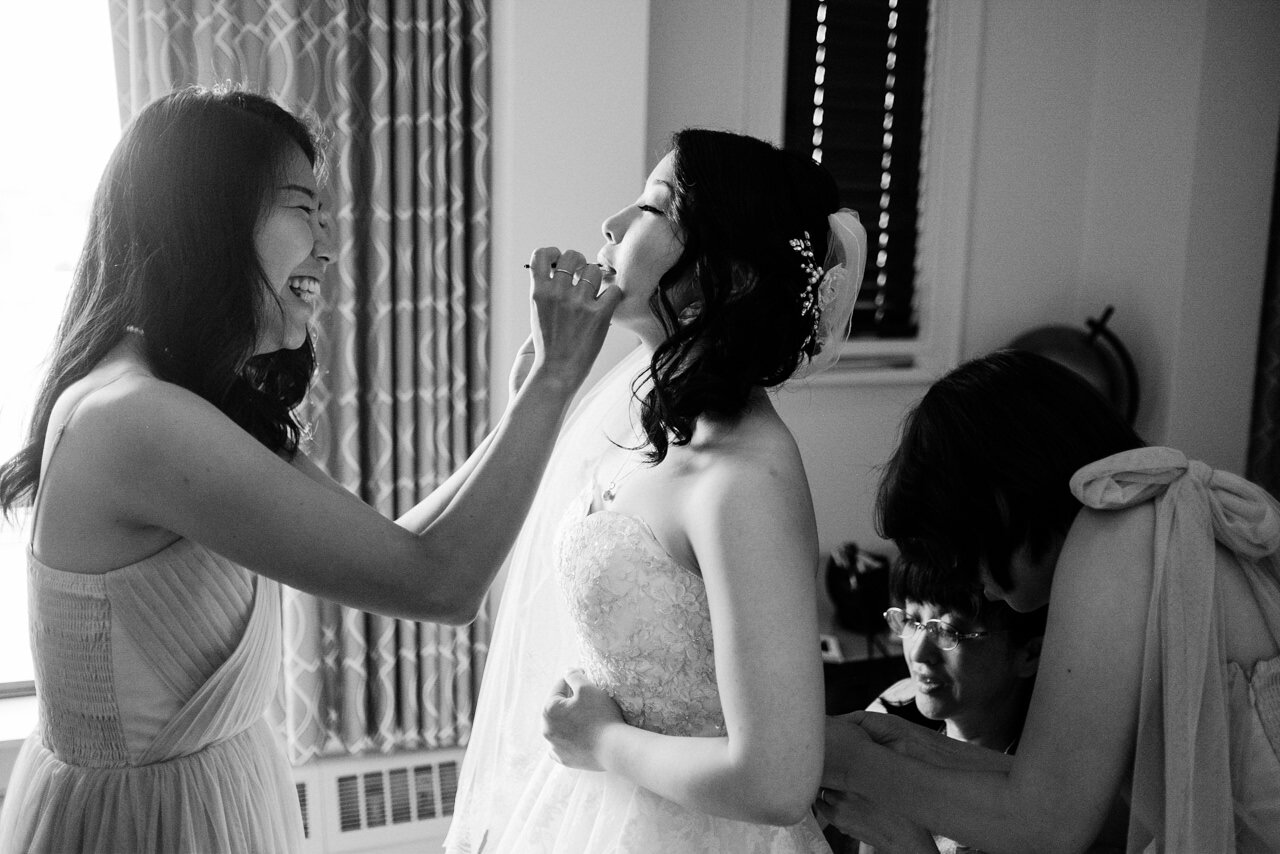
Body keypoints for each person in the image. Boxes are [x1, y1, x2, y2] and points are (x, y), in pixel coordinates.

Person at [0, 85, 619, 854]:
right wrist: (557, 381)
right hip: (154, 825)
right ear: (209, 218)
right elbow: (439, 581)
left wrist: (529, 396)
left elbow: (391, 546)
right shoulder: (138, 417)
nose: (328, 246)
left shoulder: (177, 388)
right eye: (304, 211)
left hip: (210, 793)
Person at [443, 128, 867, 853]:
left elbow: (778, 781)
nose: (611, 224)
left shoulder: (745, 478)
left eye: (654, 205)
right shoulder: (647, 421)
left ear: (727, 274)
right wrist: (533, 398)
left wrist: (605, 742)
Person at [817, 350, 1280, 853]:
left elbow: (1048, 821)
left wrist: (850, 763)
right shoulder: (1143, 523)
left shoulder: (1114, 535)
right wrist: (910, 745)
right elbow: (1049, 785)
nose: (979, 584)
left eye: (967, 553)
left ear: (1000, 499)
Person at [849, 562, 1046, 854]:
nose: (918, 652)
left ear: (1029, 654)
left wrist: (903, 842)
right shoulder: (889, 714)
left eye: (948, 631)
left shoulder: (1046, 800)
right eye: (912, 621)